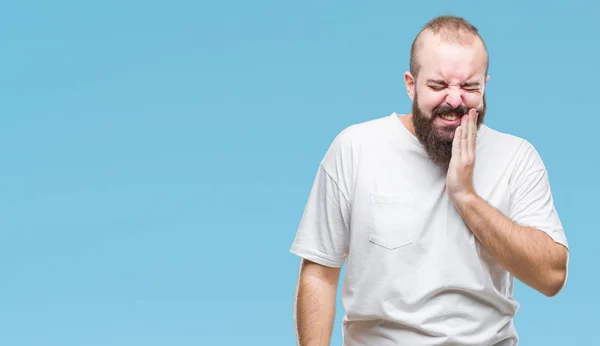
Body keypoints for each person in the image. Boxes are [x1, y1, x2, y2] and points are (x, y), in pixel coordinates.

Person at [289, 15, 569, 346]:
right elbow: (320, 274)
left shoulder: (517, 157)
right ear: (411, 84)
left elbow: (551, 276)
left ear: (485, 85)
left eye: (469, 87)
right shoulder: (356, 148)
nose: (454, 100)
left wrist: (466, 196)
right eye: (438, 86)